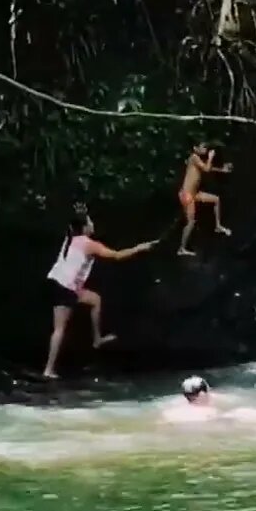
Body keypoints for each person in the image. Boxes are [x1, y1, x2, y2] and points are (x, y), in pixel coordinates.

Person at [42, 211, 156, 379]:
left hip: (56, 282)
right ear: (85, 227)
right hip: (67, 287)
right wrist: (140, 248)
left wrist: (79, 211)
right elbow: (117, 255)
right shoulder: (89, 244)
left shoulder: (70, 237)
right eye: (90, 222)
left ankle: (96, 339)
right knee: (60, 329)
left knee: (95, 300)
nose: (93, 224)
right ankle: (49, 370)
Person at [178, 142, 233, 256]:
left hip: (194, 193)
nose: (206, 150)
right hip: (187, 195)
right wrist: (210, 157)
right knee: (191, 222)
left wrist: (221, 170)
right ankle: (182, 248)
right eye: (203, 148)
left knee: (216, 199)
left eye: (206, 148)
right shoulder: (193, 158)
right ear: (195, 148)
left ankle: (217, 226)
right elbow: (207, 169)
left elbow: (207, 168)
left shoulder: (197, 159)